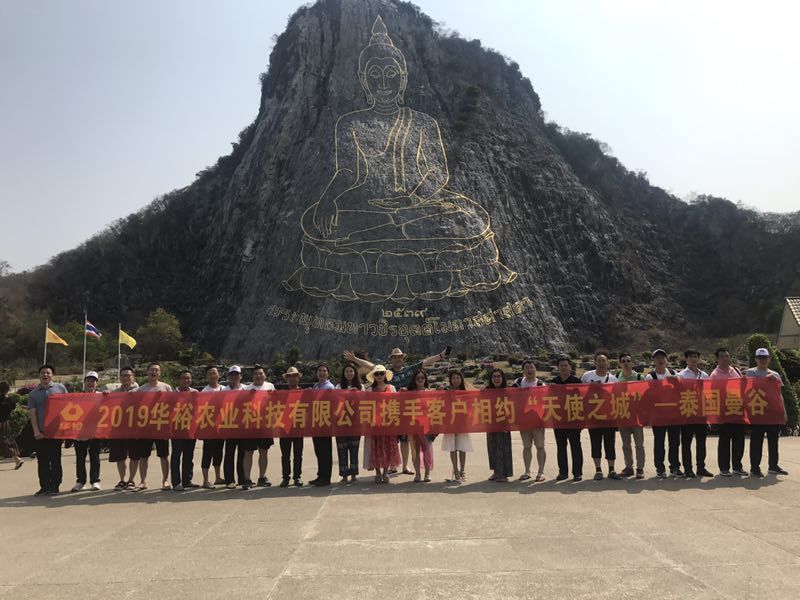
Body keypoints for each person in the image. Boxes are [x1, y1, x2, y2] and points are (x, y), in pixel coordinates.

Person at [344, 346, 451, 476]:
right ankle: (392, 465)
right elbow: (370, 366)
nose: (397, 359)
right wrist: (355, 359)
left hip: (406, 412)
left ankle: (405, 466)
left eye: (399, 357)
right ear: (391, 359)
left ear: (403, 359)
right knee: (391, 440)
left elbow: (426, 362)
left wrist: (441, 355)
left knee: (405, 440)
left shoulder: (409, 370)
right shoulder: (385, 372)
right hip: (389, 413)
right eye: (395, 358)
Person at [747, 347, 789, 477]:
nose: (763, 360)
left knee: (773, 441)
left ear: (769, 359)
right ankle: (754, 468)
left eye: (765, 358)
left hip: (773, 413)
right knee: (756, 441)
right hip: (757, 412)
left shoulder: (775, 375)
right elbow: (745, 390)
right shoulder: (750, 373)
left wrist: (783, 411)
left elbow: (779, 394)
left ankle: (773, 466)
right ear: (756, 359)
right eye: (760, 358)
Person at [27, 364, 67, 496]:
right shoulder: (33, 394)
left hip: (55, 432)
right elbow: (32, 414)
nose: (45, 375)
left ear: (52, 375)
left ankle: (55, 486)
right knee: (42, 461)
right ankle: (44, 486)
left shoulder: (60, 388)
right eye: (43, 373)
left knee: (55, 460)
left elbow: (69, 406)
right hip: (41, 432)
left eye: (48, 373)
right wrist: (36, 431)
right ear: (39, 375)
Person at [581, 352, 620, 481]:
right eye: (599, 361)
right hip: (593, 416)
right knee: (595, 443)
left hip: (609, 417)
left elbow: (617, 396)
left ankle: (611, 469)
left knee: (610, 443)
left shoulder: (613, 379)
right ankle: (598, 470)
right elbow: (580, 393)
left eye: (603, 361)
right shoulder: (587, 376)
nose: (601, 363)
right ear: (594, 362)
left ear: (607, 363)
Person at [134, 362, 173, 491]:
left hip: (161, 427)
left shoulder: (166, 387)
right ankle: (142, 481)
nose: (154, 372)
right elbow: (136, 408)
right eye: (151, 370)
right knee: (143, 456)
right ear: (147, 372)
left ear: (160, 373)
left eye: (156, 370)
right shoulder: (141, 389)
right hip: (146, 428)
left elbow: (172, 405)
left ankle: (165, 480)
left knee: (164, 455)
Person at [647, 349, 683, 479]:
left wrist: (676, 382)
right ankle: (660, 468)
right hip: (659, 415)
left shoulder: (674, 374)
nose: (660, 360)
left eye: (662, 357)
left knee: (674, 442)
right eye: (657, 358)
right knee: (659, 443)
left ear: (666, 360)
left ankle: (675, 467)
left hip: (674, 415)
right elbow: (650, 394)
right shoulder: (650, 376)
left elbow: (682, 390)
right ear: (654, 361)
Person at [710, 348, 746, 476]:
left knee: (739, 440)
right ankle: (724, 468)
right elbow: (712, 394)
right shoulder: (714, 375)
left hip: (737, 410)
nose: (725, 358)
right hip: (724, 412)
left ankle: (737, 467)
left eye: (727, 356)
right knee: (725, 441)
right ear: (717, 359)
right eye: (722, 356)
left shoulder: (736, 370)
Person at [677, 349, 713, 478]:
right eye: (691, 357)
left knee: (701, 443)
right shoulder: (681, 375)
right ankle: (688, 469)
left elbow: (709, 394)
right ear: (686, 359)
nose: (693, 359)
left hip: (701, 414)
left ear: (699, 359)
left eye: (696, 356)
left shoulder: (704, 375)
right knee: (686, 443)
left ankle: (701, 467)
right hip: (687, 412)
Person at [511, 359, 546, 482]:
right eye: (527, 367)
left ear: (536, 369)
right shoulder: (518, 383)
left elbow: (545, 403)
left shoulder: (541, 384)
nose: (529, 370)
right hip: (524, 420)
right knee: (526, 446)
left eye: (532, 367)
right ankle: (527, 471)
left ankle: (541, 472)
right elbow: (511, 398)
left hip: (537, 421)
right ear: (523, 370)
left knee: (540, 446)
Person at [549, 356, 583, 481]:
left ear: (570, 367)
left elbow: (583, 400)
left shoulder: (577, 382)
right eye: (561, 366)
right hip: (558, 419)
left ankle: (577, 472)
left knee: (575, 446)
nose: (563, 367)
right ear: (558, 368)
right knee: (561, 447)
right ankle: (563, 472)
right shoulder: (554, 382)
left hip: (574, 419)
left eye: (565, 365)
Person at [367, 365, 400, 484]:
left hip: (389, 423)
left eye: (381, 373)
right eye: (377, 374)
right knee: (376, 448)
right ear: (374, 376)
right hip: (375, 423)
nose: (379, 376)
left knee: (388, 448)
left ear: (385, 375)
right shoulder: (370, 390)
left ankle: (385, 472)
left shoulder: (392, 388)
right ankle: (378, 472)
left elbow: (396, 404)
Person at [616, 353, 646, 479]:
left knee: (639, 444)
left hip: (637, 415)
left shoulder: (639, 377)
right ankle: (629, 467)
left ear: (632, 363)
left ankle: (640, 468)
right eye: (623, 361)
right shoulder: (616, 377)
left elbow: (645, 395)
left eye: (628, 361)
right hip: (623, 414)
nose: (626, 363)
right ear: (620, 363)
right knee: (625, 444)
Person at [109, 366, 139, 490]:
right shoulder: (115, 392)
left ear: (133, 377)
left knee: (134, 456)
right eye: (123, 376)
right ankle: (122, 480)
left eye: (128, 375)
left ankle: (131, 480)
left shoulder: (140, 391)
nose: (126, 378)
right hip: (118, 428)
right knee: (120, 456)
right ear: (120, 378)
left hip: (134, 428)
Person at [71, 371, 102, 492]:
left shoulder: (101, 396)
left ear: (96, 383)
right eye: (88, 380)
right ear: (84, 382)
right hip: (80, 432)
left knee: (95, 457)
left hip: (95, 431)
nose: (90, 383)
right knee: (80, 458)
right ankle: (80, 481)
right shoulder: (78, 396)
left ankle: (95, 481)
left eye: (93, 381)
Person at [440, 370, 473, 483]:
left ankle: (463, 471)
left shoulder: (465, 392)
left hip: (462, 422)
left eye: (458, 378)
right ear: (450, 380)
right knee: (452, 447)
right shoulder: (447, 391)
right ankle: (456, 470)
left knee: (462, 447)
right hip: (450, 422)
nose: (456, 380)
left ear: (461, 379)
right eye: (453, 378)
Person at [246, 365, 275, 487]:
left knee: (263, 451)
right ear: (252, 376)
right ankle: (247, 479)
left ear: (265, 375)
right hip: (250, 425)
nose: (258, 376)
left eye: (260, 373)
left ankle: (262, 477)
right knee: (248, 452)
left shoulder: (270, 386)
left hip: (265, 424)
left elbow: (275, 403)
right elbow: (241, 405)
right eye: (256, 374)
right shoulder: (247, 388)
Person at [404, 369, 434, 483]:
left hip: (426, 426)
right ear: (414, 380)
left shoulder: (430, 392)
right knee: (415, 451)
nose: (420, 380)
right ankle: (418, 474)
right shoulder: (409, 393)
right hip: (412, 425)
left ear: (425, 379)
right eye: (417, 378)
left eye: (422, 378)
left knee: (427, 450)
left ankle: (427, 473)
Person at [335, 363, 364, 483]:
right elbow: (335, 401)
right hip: (341, 422)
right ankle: (344, 475)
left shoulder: (360, 386)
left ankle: (353, 474)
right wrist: (347, 393)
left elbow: (364, 402)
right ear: (344, 373)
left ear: (355, 373)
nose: (349, 373)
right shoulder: (338, 386)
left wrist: (357, 393)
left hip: (355, 422)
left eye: (351, 371)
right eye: (347, 371)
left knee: (354, 449)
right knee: (342, 449)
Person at [171, 369, 198, 491]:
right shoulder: (172, 394)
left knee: (188, 456)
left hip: (190, 430)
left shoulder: (195, 393)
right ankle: (176, 482)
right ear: (178, 380)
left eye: (188, 378)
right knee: (176, 456)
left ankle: (187, 480)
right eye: (183, 378)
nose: (186, 380)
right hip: (176, 430)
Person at [200, 366, 226, 489]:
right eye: (210, 373)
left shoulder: (224, 389)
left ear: (218, 375)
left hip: (221, 427)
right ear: (207, 376)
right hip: (209, 427)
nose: (212, 375)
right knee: (207, 453)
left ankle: (218, 477)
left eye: (214, 373)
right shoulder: (204, 392)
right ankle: (205, 480)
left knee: (218, 452)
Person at [485, 368, 513, 482]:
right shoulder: (487, 390)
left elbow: (513, 407)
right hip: (491, 423)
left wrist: (509, 423)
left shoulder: (508, 391)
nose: (496, 379)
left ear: (503, 378)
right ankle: (496, 472)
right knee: (492, 448)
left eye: (498, 376)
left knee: (503, 448)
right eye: (494, 377)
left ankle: (503, 474)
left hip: (504, 423)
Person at [310, 363, 335, 487]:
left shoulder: (330, 387)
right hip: (316, 423)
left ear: (328, 373)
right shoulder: (316, 386)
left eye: (324, 370)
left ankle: (326, 477)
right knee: (318, 451)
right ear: (317, 373)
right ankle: (320, 475)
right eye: (320, 370)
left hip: (325, 423)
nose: (322, 373)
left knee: (325, 451)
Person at [222, 365, 247, 489]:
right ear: (228, 377)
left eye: (236, 375)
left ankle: (242, 479)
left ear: (240, 376)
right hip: (229, 426)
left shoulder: (246, 389)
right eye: (232, 375)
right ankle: (229, 480)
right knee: (229, 454)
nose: (234, 377)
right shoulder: (223, 391)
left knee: (243, 454)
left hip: (243, 426)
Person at [279, 366, 304, 487]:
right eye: (290, 376)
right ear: (286, 379)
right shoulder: (281, 393)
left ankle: (297, 476)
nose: (292, 378)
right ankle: (285, 477)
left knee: (298, 454)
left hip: (298, 426)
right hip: (285, 426)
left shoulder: (304, 393)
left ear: (298, 378)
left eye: (294, 376)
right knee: (285, 455)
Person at [0, 381, 24, 470]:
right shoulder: (9, 399)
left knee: (5, 441)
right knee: (7, 440)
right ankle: (17, 459)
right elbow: (13, 407)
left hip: (1, 422)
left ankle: (17, 459)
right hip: (6, 422)